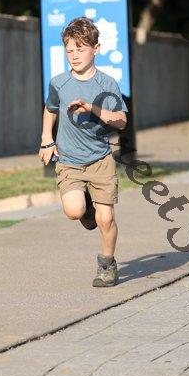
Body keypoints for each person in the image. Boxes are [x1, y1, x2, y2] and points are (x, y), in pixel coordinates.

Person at [38, 16, 128, 287]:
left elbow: (121, 121)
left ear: (95, 49)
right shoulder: (59, 83)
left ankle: (107, 265)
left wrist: (92, 108)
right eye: (69, 50)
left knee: (106, 218)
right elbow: (50, 110)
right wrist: (46, 139)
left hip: (100, 159)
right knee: (74, 211)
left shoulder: (107, 84)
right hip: (69, 160)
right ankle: (86, 206)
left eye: (80, 48)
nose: (74, 55)